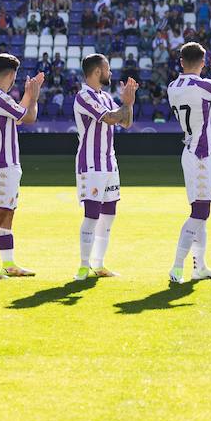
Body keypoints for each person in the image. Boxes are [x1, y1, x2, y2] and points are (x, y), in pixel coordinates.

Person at [166, 41, 211, 283]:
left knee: (200, 211)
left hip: (189, 150)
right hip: (202, 153)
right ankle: (177, 266)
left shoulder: (173, 86)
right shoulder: (204, 85)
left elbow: (200, 95)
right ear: (204, 62)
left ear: (181, 62)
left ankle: (200, 267)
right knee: (200, 211)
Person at [0, 54, 44, 279]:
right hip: (2, 164)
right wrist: (32, 96)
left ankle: (8, 262)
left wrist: (28, 96)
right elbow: (29, 117)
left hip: (7, 163)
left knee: (8, 212)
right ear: (13, 76)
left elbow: (18, 117)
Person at [73, 53, 138, 279]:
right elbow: (111, 118)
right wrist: (126, 103)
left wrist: (129, 104)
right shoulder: (84, 96)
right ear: (98, 71)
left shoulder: (106, 97)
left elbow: (126, 123)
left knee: (109, 214)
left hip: (110, 164)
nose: (110, 72)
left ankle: (98, 264)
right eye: (108, 68)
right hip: (92, 165)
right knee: (92, 214)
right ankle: (83, 265)